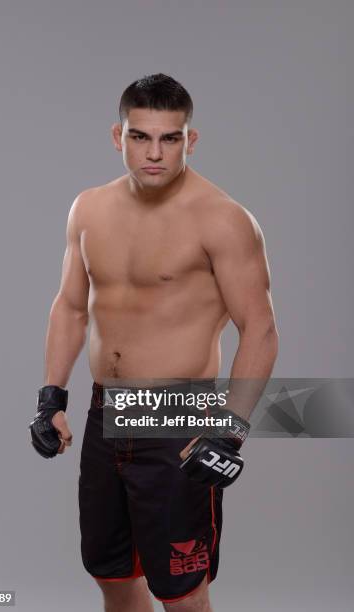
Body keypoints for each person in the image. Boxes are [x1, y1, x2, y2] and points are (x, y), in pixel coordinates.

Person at [29, 73, 278, 612]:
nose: (155, 152)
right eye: (141, 136)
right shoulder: (89, 209)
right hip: (104, 414)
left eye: (170, 138)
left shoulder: (224, 220)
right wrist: (52, 398)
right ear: (119, 137)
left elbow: (259, 328)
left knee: (181, 593)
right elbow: (71, 306)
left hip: (176, 419)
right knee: (112, 576)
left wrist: (229, 432)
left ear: (189, 140)